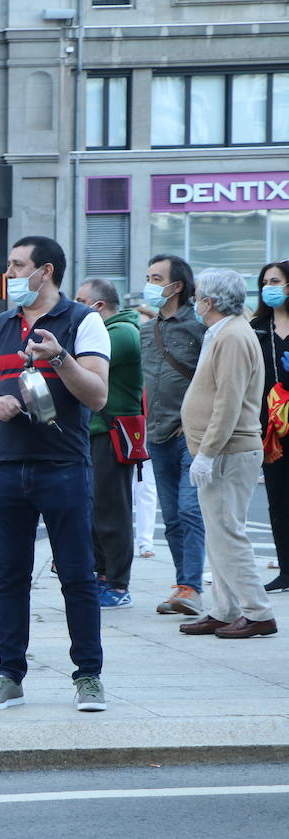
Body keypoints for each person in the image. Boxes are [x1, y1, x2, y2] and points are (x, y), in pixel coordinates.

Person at [0, 235, 110, 713]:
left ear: (44, 271)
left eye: (17, 266)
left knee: (77, 575)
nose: (9, 275)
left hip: (63, 465)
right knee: (10, 578)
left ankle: (88, 676)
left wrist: (58, 357)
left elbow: (97, 396)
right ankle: (9, 675)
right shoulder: (0, 326)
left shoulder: (83, 321)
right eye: (9, 266)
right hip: (6, 466)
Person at [176, 268, 278, 639]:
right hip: (222, 449)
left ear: (212, 301)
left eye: (200, 294)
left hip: (228, 450)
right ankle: (224, 609)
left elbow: (228, 400)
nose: (195, 300)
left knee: (228, 533)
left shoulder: (233, 336)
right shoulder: (222, 332)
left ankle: (257, 611)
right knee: (218, 533)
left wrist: (208, 452)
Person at [140, 253, 206, 616]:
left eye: (156, 277)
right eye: (148, 277)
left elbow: (211, 378)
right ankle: (182, 585)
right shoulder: (146, 330)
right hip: (157, 433)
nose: (150, 284)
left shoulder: (198, 325)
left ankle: (192, 586)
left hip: (191, 434)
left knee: (189, 510)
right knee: (174, 517)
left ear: (177, 285)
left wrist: (195, 418)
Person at [75, 277, 143, 609]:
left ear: (98, 306)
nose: (74, 306)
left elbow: (81, 364)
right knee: (95, 506)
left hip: (113, 431)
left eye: (80, 300)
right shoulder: (111, 330)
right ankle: (103, 575)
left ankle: (117, 583)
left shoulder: (122, 333)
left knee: (111, 509)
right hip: (98, 430)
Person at [251, 259, 289, 591]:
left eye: (275, 281)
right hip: (272, 431)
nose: (269, 288)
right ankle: (286, 569)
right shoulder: (258, 329)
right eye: (265, 282)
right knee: (278, 499)